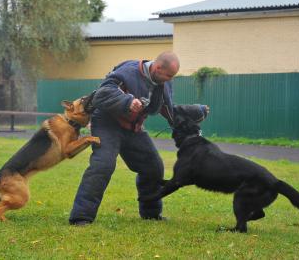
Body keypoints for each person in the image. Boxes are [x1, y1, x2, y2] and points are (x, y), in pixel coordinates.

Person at [69, 51, 208, 225]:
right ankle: (81, 217)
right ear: (157, 68)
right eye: (168, 76)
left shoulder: (163, 83)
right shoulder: (128, 71)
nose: (169, 80)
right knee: (103, 165)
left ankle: (151, 213)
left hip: (133, 129)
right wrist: (127, 101)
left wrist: (196, 112)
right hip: (107, 123)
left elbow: (168, 109)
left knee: (153, 167)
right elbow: (103, 93)